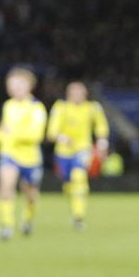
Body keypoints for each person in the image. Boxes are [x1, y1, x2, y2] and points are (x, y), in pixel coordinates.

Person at [0, 67, 48, 240]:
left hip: (30, 157)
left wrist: (14, 134)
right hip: (9, 153)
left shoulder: (37, 108)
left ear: (30, 86)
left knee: (31, 194)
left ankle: (28, 220)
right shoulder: (9, 105)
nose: (14, 88)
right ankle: (6, 225)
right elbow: (5, 127)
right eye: (11, 84)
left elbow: (37, 135)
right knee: (6, 185)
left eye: (19, 84)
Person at [46, 81, 110, 230]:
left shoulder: (92, 108)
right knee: (69, 184)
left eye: (80, 92)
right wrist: (61, 137)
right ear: (68, 94)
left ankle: (78, 216)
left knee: (79, 177)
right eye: (74, 92)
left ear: (85, 94)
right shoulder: (61, 108)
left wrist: (102, 144)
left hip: (82, 149)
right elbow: (51, 132)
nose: (77, 95)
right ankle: (74, 203)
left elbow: (101, 127)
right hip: (63, 152)